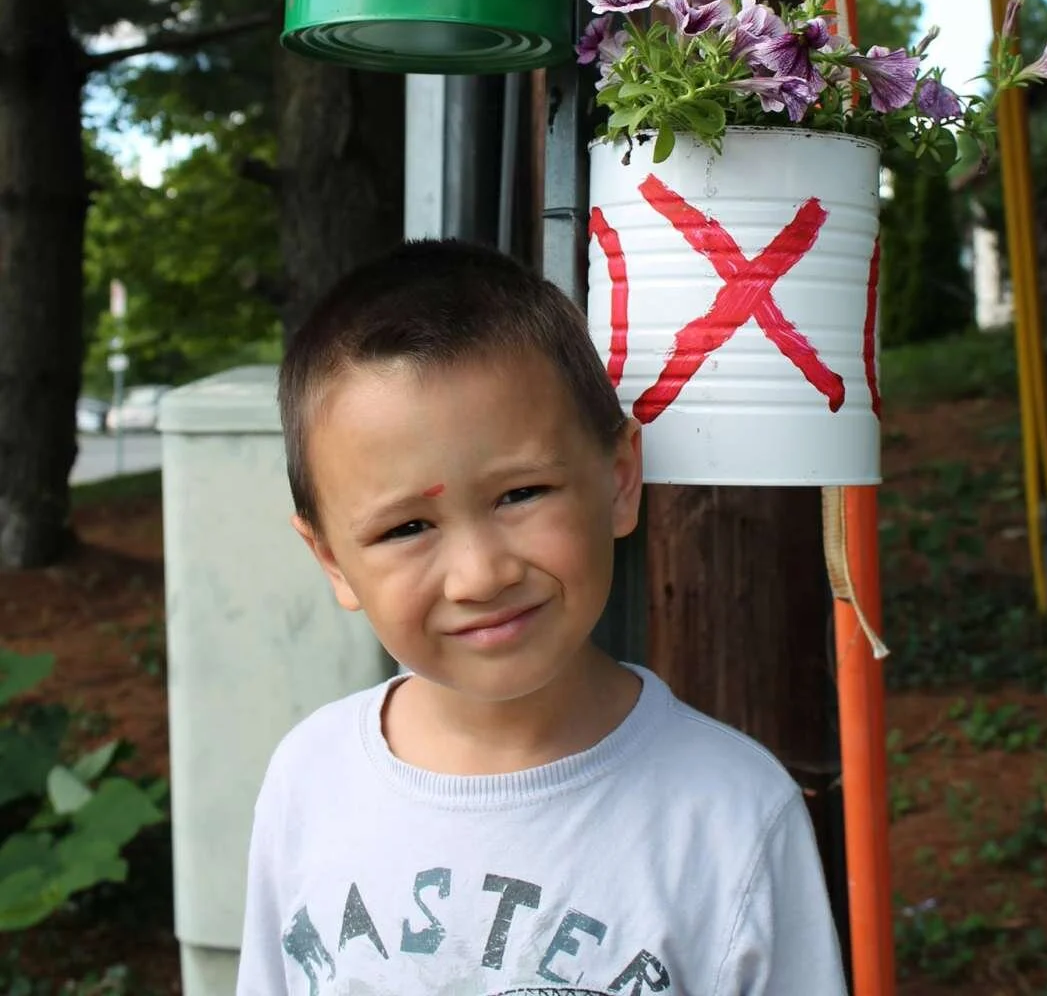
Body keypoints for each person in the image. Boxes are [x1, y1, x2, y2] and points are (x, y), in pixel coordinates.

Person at [237, 239, 847, 996]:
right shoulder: (309, 780)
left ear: (619, 480)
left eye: (520, 494)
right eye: (405, 529)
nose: (481, 574)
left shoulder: (731, 815)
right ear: (331, 559)